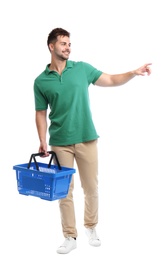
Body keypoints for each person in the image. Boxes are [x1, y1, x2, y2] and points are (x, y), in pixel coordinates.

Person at [33, 27, 152, 254]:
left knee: (91, 188)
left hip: (87, 138)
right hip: (59, 142)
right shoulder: (41, 81)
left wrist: (132, 73)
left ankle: (91, 227)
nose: (68, 47)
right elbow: (40, 112)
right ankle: (70, 236)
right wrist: (42, 140)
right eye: (63, 43)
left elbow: (109, 79)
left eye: (69, 43)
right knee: (64, 191)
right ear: (51, 46)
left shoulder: (82, 69)